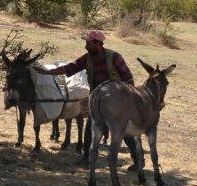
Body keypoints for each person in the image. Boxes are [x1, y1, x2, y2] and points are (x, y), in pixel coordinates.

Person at [33, 30, 139, 166]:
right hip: (97, 100)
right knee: (90, 128)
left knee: (122, 132)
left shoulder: (114, 57)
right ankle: (87, 158)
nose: (86, 46)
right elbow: (69, 68)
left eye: (88, 43)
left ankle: (137, 160)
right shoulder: (87, 58)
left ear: (98, 44)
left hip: (115, 101)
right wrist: (48, 72)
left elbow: (128, 79)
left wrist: (129, 101)